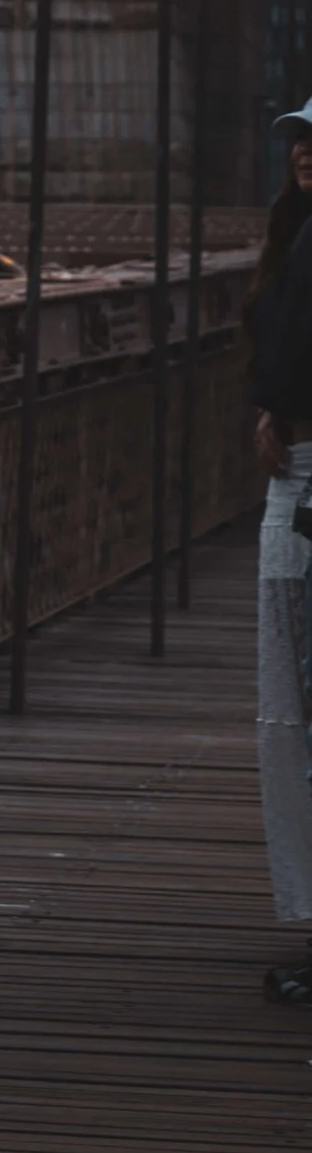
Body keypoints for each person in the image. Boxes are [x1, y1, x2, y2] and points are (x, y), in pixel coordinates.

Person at [252, 102, 312, 998]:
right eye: (299, 138)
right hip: (295, 476)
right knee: (291, 715)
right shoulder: (299, 236)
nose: (305, 152)